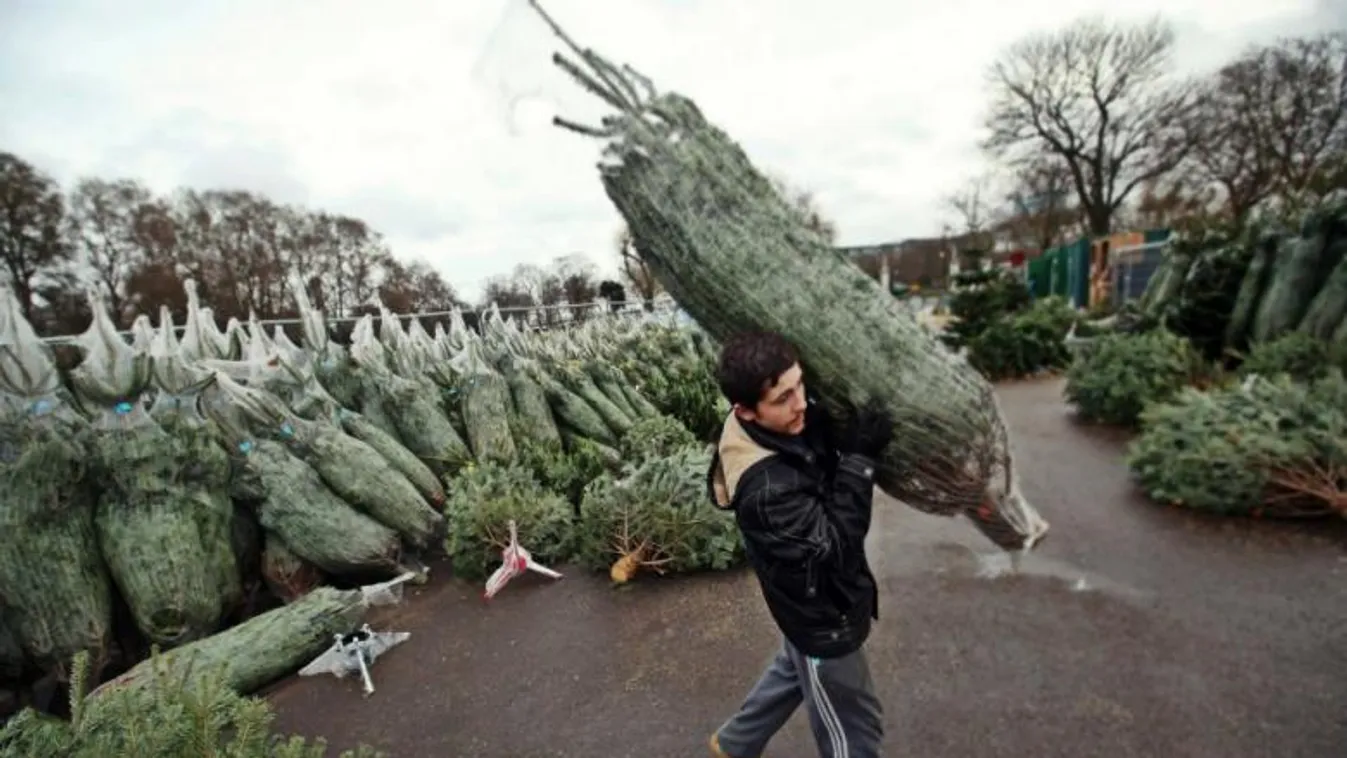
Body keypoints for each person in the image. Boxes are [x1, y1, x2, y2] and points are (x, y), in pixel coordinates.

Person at [705, 330, 892, 758]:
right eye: (783, 399)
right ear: (746, 412)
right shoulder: (767, 493)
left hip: (801, 601)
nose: (800, 403)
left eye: (799, 385)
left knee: (794, 665)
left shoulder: (770, 423)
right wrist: (860, 464)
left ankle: (735, 743)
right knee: (855, 731)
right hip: (823, 619)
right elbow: (837, 547)